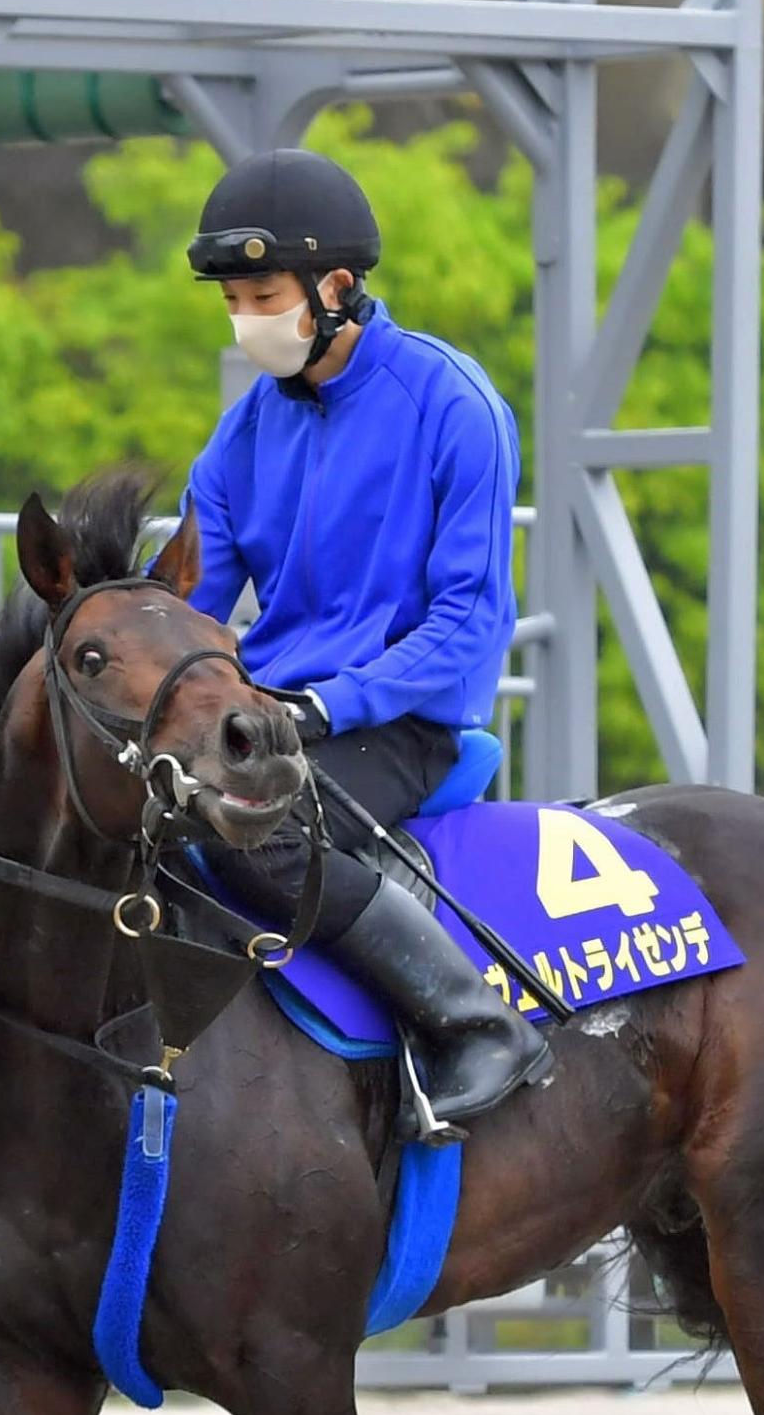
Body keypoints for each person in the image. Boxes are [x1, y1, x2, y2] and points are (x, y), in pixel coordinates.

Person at [180, 146, 551, 1132]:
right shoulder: (238, 436)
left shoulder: (452, 404)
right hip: (268, 721)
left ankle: (474, 1024)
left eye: (260, 295)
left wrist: (324, 705)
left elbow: (470, 618)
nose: (244, 320)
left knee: (253, 836)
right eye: (231, 301)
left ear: (336, 287)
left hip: (401, 724)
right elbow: (191, 607)